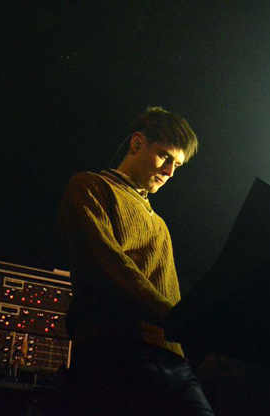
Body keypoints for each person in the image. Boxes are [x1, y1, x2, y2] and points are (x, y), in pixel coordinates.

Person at [58, 107, 214, 415]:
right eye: (165, 157)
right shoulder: (90, 186)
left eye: (177, 165)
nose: (170, 171)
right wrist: (177, 320)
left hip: (172, 359)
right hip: (114, 352)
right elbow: (109, 267)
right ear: (137, 143)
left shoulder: (160, 223)